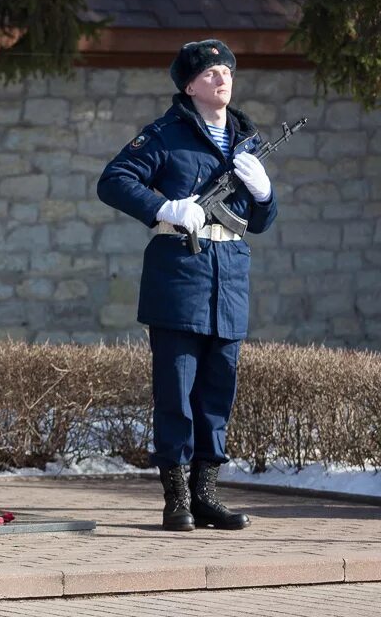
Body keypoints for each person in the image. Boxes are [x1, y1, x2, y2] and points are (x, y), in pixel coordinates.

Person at [96, 39, 277, 532]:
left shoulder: (246, 141)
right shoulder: (166, 135)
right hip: (178, 276)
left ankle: (206, 497)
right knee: (176, 392)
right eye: (212, 73)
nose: (223, 79)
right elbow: (113, 180)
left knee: (218, 391)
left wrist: (264, 194)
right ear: (190, 85)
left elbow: (260, 222)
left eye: (227, 71)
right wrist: (164, 208)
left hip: (230, 278)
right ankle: (176, 499)